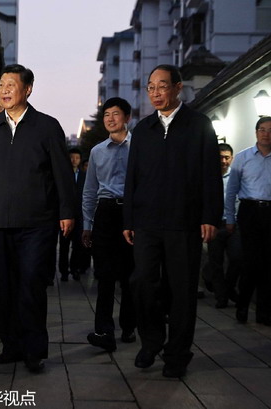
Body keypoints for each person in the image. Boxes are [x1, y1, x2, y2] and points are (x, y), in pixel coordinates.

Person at [0, 64, 75, 373]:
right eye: (2, 84)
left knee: (31, 284)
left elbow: (62, 174)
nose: (5, 89)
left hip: (37, 222)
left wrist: (67, 212)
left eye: (11, 84)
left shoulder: (46, 126)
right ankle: (11, 346)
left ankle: (34, 350)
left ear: (27, 89)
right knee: (3, 286)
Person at [122, 64, 223, 378]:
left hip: (185, 221)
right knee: (141, 282)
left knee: (182, 290)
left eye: (162, 86)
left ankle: (177, 354)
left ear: (178, 87)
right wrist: (129, 219)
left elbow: (211, 175)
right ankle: (151, 341)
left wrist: (210, 215)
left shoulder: (199, 125)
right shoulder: (142, 130)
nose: (155, 93)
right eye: (150, 87)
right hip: (148, 221)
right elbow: (132, 177)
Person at [83, 97, 136, 352]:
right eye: (106, 115)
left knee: (129, 275)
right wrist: (87, 223)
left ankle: (129, 325)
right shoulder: (97, 151)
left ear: (127, 117)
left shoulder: (139, 147)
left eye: (115, 114)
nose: (110, 119)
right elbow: (90, 189)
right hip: (105, 213)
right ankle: (104, 330)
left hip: (132, 212)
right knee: (104, 274)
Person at [225, 116, 271, 326]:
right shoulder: (243, 158)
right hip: (250, 211)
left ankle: (263, 312)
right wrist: (230, 218)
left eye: (270, 130)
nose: (265, 133)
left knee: (268, 266)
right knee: (251, 263)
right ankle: (242, 306)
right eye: (262, 129)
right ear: (256, 132)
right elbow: (231, 190)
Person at [201, 143, 243, 309]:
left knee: (237, 259)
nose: (224, 161)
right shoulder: (208, 177)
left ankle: (228, 287)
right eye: (220, 157)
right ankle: (221, 297)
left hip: (234, 223)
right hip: (215, 224)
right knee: (215, 262)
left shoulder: (238, 176)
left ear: (231, 158)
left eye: (227, 157)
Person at [58, 148, 88, 281]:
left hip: (79, 216)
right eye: (71, 157)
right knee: (64, 245)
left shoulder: (84, 176)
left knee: (78, 245)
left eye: (77, 157)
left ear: (80, 160)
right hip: (65, 215)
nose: (74, 160)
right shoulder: (62, 175)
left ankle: (74, 268)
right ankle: (63, 271)